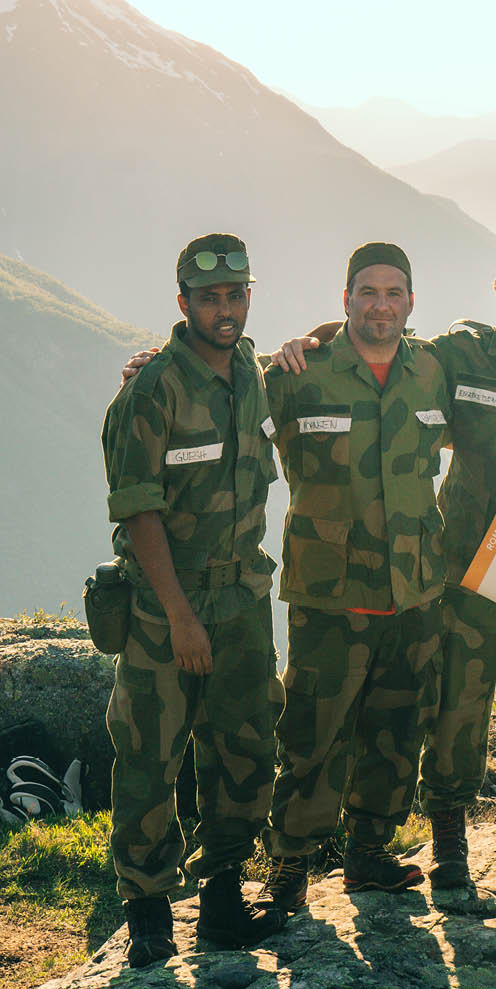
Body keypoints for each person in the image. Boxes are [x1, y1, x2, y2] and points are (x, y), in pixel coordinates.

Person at [274, 235, 496, 888]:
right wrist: (310, 339)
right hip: (462, 558)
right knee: (457, 704)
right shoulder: (458, 355)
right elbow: (374, 341)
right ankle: (447, 838)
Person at [101, 234, 286, 967]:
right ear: (184, 305)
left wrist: (319, 334)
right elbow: (138, 510)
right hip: (163, 609)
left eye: (235, 294)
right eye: (208, 298)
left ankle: (222, 897)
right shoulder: (152, 390)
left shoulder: (252, 372)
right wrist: (179, 615)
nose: (224, 308)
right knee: (150, 752)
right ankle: (146, 903)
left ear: (248, 296)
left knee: (243, 744)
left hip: (242, 599)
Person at [256, 243, 451, 911]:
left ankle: (368, 853)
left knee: (398, 727)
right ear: (344, 300)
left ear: (409, 303)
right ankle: (288, 867)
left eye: (393, 292)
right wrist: (146, 371)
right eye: (366, 291)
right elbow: (218, 390)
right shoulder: (297, 371)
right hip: (329, 593)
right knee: (313, 731)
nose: (379, 304)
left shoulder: (430, 371)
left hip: (412, 588)